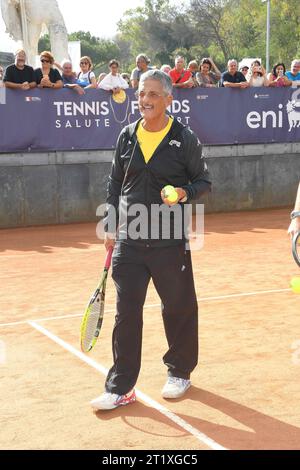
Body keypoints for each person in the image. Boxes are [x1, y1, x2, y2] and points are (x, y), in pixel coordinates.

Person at [90, 69, 211, 411]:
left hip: (169, 239)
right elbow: (115, 184)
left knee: (178, 307)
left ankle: (179, 372)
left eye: (154, 94)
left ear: (169, 99)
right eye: (142, 93)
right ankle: (120, 387)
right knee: (126, 313)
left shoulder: (183, 138)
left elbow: (204, 182)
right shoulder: (127, 136)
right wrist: (110, 223)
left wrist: (183, 193)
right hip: (129, 238)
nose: (145, 100)